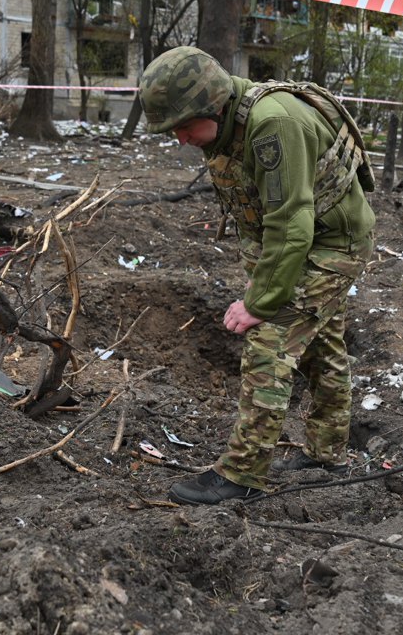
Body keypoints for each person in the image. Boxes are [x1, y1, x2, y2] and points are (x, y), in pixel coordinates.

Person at [138, 46, 376, 505]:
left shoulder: (273, 123)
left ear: (212, 104)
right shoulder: (228, 129)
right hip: (304, 241)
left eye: (183, 126)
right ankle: (327, 454)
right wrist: (262, 278)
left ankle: (242, 475)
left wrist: (261, 302)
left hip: (333, 244)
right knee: (321, 347)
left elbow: (291, 223)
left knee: (270, 338)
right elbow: (260, 216)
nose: (181, 140)